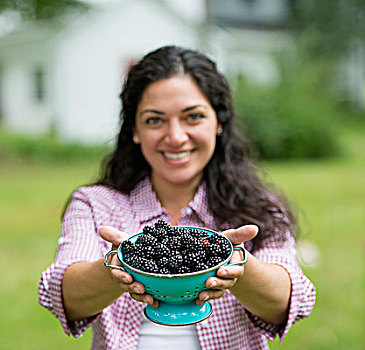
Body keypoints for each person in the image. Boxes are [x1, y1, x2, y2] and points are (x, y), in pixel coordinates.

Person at [38, 46, 316, 350]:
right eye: (155, 120)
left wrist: (234, 264)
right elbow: (63, 296)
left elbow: (290, 302)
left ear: (218, 122)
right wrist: (119, 266)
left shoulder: (259, 208)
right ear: (134, 129)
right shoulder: (95, 204)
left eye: (193, 117)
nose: (176, 137)